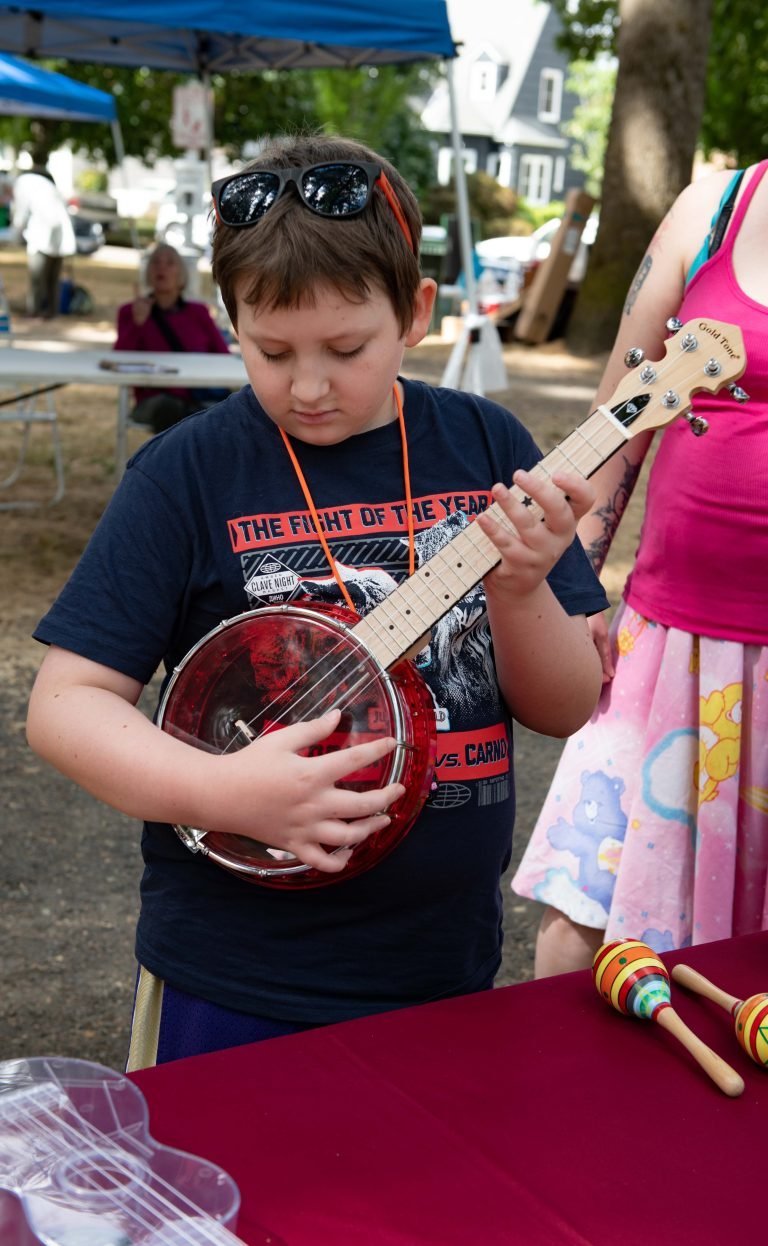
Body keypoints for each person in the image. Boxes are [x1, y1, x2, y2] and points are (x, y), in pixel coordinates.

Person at [26, 133, 606, 1069]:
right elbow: (63, 707)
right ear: (230, 323)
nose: (307, 385)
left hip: (441, 974)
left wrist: (522, 586)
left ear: (416, 312)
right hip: (235, 980)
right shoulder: (188, 474)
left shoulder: (483, 442)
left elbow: (566, 705)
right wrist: (227, 792)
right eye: (270, 350)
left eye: (346, 347)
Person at [512, 159, 768, 976]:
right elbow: (618, 417)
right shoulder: (717, 209)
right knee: (582, 929)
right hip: (671, 648)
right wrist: (580, 585)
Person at [114, 242, 232, 433]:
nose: (161, 268)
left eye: (169, 263)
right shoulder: (129, 312)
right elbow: (118, 359)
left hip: (202, 394)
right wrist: (137, 324)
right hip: (156, 400)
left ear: (181, 275)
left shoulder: (198, 313)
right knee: (172, 410)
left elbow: (223, 356)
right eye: (155, 262)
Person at [12, 165, 76, 318]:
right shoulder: (41, 184)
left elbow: (20, 214)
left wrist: (15, 234)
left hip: (42, 235)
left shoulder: (21, 184)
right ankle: (51, 310)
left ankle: (35, 310)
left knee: (38, 276)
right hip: (59, 233)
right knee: (52, 278)